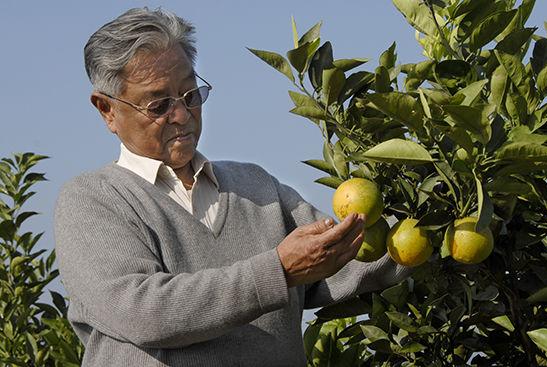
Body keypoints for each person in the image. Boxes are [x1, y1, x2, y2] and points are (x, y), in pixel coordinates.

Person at [54, 7, 410, 366]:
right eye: (159, 104)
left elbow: (343, 256)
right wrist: (279, 271)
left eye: (190, 95)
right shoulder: (92, 201)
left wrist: (438, 223)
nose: (181, 115)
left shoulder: (255, 186)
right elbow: (143, 312)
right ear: (107, 110)